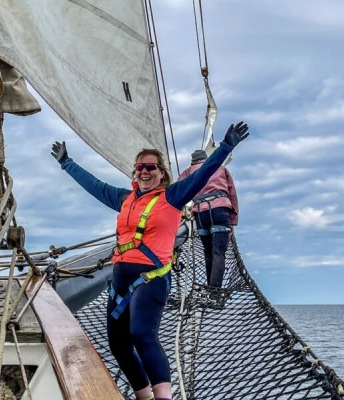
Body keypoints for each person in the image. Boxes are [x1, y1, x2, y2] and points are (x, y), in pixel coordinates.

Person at [50, 121, 249, 400]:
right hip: (119, 282)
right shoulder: (124, 199)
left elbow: (202, 175)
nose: (145, 171)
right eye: (140, 167)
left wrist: (226, 146)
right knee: (118, 345)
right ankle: (144, 396)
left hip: (151, 278)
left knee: (142, 334)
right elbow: (95, 186)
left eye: (151, 167)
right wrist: (67, 163)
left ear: (161, 173)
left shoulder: (172, 196)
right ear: (135, 171)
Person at [178, 149, 239, 292]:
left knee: (208, 251)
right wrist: (233, 220)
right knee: (218, 251)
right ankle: (215, 290)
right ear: (206, 159)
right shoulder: (220, 167)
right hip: (219, 209)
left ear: (193, 161)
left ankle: (210, 288)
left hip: (200, 213)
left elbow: (178, 190)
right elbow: (232, 194)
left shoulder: (188, 172)